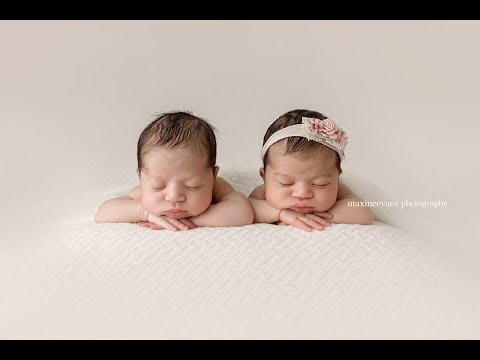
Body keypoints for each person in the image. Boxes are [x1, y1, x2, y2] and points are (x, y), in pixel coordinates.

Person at [95, 111, 254, 231]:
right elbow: (103, 213)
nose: (174, 196)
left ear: (212, 176)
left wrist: (196, 220)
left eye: (193, 185)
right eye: (158, 186)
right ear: (141, 178)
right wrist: (145, 213)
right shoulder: (143, 195)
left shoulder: (217, 186)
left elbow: (243, 212)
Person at [249, 109, 374, 231]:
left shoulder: (340, 190)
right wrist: (280, 214)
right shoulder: (262, 192)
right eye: (285, 182)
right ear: (264, 177)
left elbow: (363, 212)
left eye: (320, 184)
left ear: (337, 177)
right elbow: (249, 209)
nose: (303, 193)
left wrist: (312, 218)